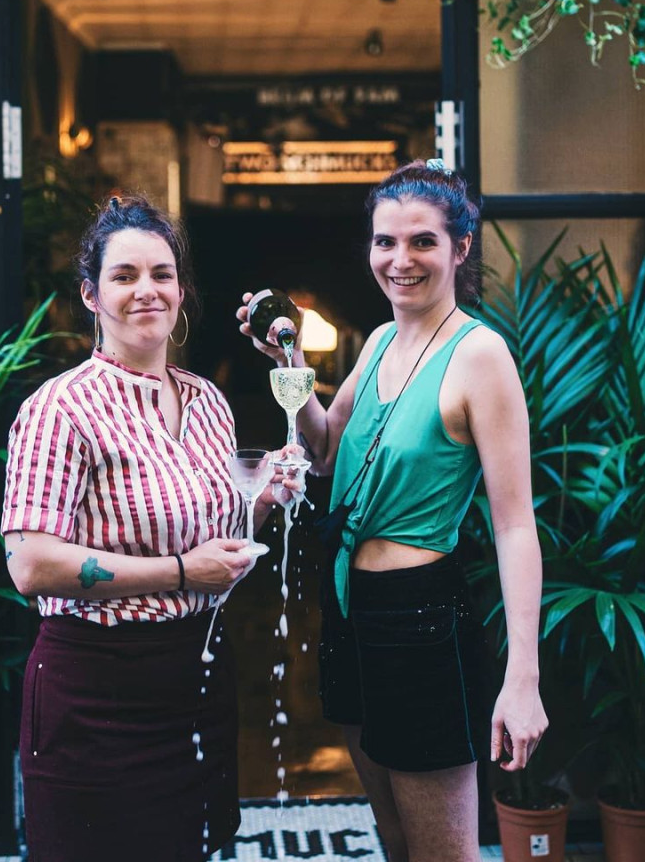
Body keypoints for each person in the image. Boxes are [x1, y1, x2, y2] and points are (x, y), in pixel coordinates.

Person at [237, 159, 547, 862]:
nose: (399, 260)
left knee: (444, 853)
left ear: (460, 248)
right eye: (385, 242)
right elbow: (325, 450)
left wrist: (522, 678)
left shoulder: (481, 357)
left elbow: (515, 525)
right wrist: (284, 358)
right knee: (397, 839)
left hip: (420, 618)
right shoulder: (380, 342)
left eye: (422, 242)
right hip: (349, 603)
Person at [2, 194, 298, 862]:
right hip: (94, 696)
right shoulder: (60, 410)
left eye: (162, 275)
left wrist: (264, 498)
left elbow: (211, 531)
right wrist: (182, 573)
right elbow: (30, 564)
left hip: (195, 682)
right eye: (124, 275)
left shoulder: (208, 402)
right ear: (91, 294)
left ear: (183, 291)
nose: (147, 291)